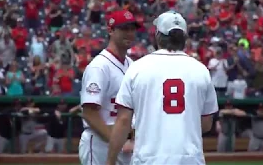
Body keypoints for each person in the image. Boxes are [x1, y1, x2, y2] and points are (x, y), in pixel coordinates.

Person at [107, 11, 218, 165]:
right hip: (190, 159)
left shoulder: (137, 68)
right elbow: (206, 124)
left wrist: (110, 161)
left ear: (158, 36)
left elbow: (124, 121)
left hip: (148, 159)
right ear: (184, 38)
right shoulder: (201, 70)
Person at [79, 10, 139, 165]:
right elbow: (89, 113)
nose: (130, 33)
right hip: (100, 142)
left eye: (132, 28)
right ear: (111, 30)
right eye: (124, 29)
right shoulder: (99, 67)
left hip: (124, 142)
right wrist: (117, 142)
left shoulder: (132, 65)